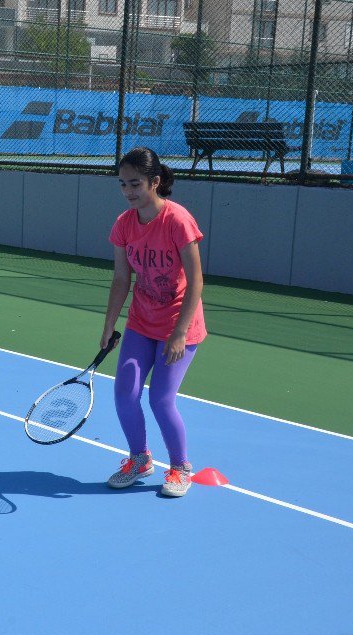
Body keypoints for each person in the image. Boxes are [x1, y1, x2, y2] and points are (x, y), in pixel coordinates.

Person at [101, 147, 206, 497]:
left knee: (161, 399)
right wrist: (108, 326)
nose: (129, 191)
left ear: (155, 182)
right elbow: (120, 280)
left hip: (180, 325)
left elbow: (195, 281)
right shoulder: (123, 224)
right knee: (124, 394)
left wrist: (178, 335)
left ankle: (179, 467)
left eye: (135, 184)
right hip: (141, 323)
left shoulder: (177, 220)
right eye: (122, 185)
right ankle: (139, 458)